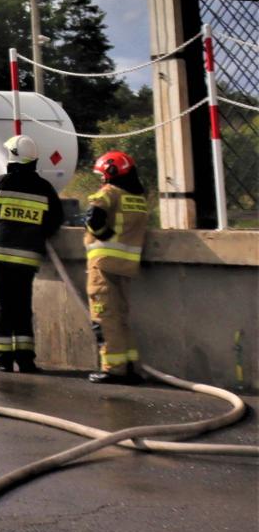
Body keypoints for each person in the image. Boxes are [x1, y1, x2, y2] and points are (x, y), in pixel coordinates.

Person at [0, 135, 64, 373]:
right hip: (26, 258)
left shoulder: (1, 183)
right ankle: (25, 360)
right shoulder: (44, 188)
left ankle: (1, 359)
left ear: (13, 156)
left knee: (0, 304)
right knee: (22, 306)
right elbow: (56, 220)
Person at [84, 151, 150, 385]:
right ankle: (129, 364)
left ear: (111, 172)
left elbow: (92, 218)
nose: (101, 179)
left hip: (103, 266)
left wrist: (105, 235)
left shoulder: (109, 193)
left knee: (104, 318)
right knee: (121, 317)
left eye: (102, 174)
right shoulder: (138, 198)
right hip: (126, 266)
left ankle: (113, 368)